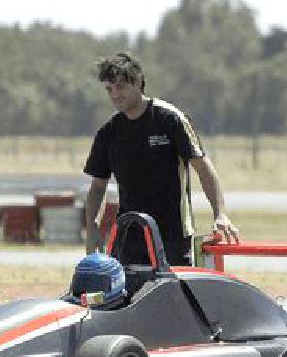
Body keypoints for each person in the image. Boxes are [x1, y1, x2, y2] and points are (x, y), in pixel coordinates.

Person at [84, 52, 239, 266]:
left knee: (173, 298)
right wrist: (92, 227)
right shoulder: (109, 131)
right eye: (109, 89)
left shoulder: (170, 119)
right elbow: (97, 186)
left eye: (120, 87)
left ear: (138, 82)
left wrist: (220, 214)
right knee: (127, 297)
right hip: (129, 236)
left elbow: (203, 168)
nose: (115, 95)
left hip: (172, 236)